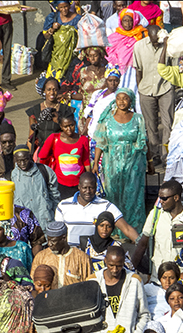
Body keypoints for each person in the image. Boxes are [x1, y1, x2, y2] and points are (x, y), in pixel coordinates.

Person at [93, 88, 148, 232]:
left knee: (133, 196)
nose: (122, 102)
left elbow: (143, 143)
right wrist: (95, 164)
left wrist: (150, 163)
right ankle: (115, 230)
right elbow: (100, 142)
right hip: (112, 164)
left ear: (130, 101)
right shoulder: (107, 119)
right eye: (119, 98)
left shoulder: (138, 118)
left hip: (133, 164)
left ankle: (133, 231)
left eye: (125, 99)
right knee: (113, 195)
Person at [133, 180, 183, 273]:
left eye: (164, 198)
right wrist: (131, 269)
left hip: (182, 278)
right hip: (158, 277)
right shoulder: (155, 215)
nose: (161, 201)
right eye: (160, 198)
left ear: (176, 198)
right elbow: (142, 244)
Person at [55, 171, 139, 248]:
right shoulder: (63, 206)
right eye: (85, 188)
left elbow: (126, 228)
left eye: (91, 188)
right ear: (79, 187)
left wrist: (141, 244)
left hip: (95, 255)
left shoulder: (106, 206)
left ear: (96, 187)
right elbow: (57, 234)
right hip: (70, 254)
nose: (88, 191)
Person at [133, 25, 174, 165]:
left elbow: (173, 66)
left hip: (165, 87)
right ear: (148, 37)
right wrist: (140, 88)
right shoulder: (139, 46)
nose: (157, 43)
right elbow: (138, 70)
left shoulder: (168, 44)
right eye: (154, 41)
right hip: (146, 89)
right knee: (150, 125)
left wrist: (166, 45)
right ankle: (155, 154)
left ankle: (166, 155)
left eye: (158, 40)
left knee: (167, 122)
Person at [91, 247, 150, 333]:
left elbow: (144, 314)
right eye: (111, 265)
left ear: (123, 262)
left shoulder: (135, 280)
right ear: (105, 260)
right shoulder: (93, 281)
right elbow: (88, 316)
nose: (114, 270)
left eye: (118, 266)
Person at [11, 146, 61, 233]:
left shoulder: (44, 171)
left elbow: (54, 195)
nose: (22, 163)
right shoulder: (12, 176)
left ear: (30, 157)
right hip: (23, 225)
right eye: (19, 161)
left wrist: (50, 212)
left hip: (44, 222)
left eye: (25, 160)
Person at [30, 221, 92, 289]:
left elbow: (88, 285)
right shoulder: (41, 257)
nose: (49, 244)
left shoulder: (82, 258)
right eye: (48, 240)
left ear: (64, 238)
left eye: (53, 241)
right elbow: (33, 283)